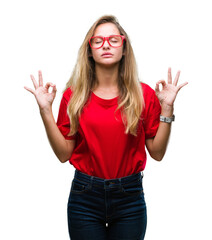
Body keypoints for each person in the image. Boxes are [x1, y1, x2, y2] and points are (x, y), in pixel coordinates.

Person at [24, 15, 188, 240]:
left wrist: (167, 108)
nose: (106, 45)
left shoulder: (144, 94)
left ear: (124, 48)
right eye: (98, 41)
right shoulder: (74, 96)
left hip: (129, 197)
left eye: (113, 39)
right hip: (85, 198)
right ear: (90, 50)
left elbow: (157, 153)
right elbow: (64, 154)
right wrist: (45, 111)